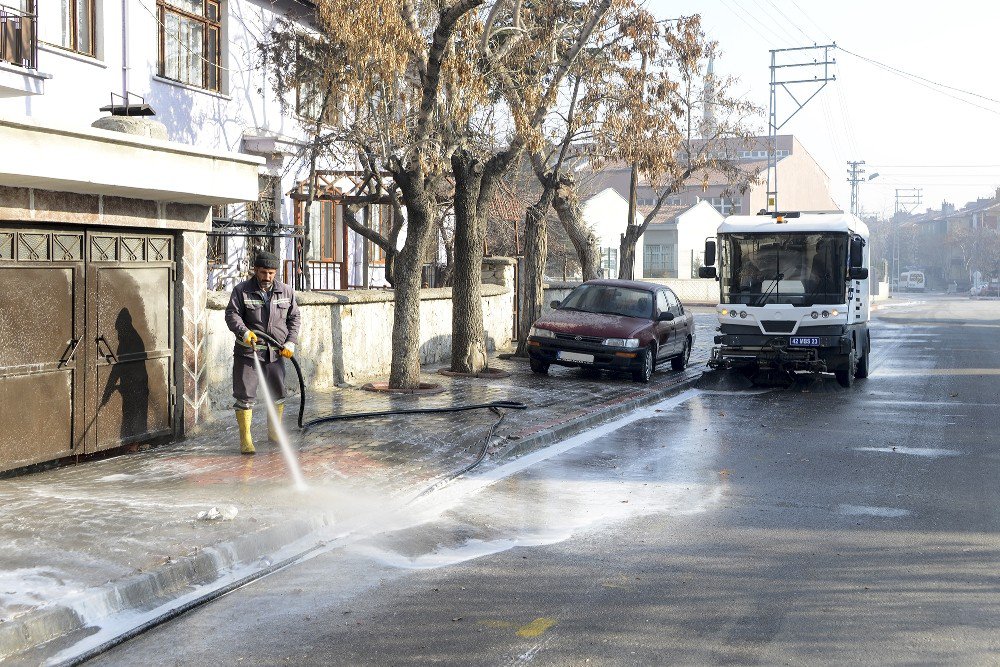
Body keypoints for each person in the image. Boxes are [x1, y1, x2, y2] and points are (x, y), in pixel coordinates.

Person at [225, 251, 300, 455]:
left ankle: (274, 432)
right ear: (255, 270)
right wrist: (245, 331)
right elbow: (232, 315)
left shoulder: (286, 292)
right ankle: (246, 439)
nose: (267, 277)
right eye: (263, 272)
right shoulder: (241, 291)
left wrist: (291, 342)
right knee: (245, 396)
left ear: (276, 272)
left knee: (277, 394)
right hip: (248, 353)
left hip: (275, 352)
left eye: (271, 273)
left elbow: (294, 319)